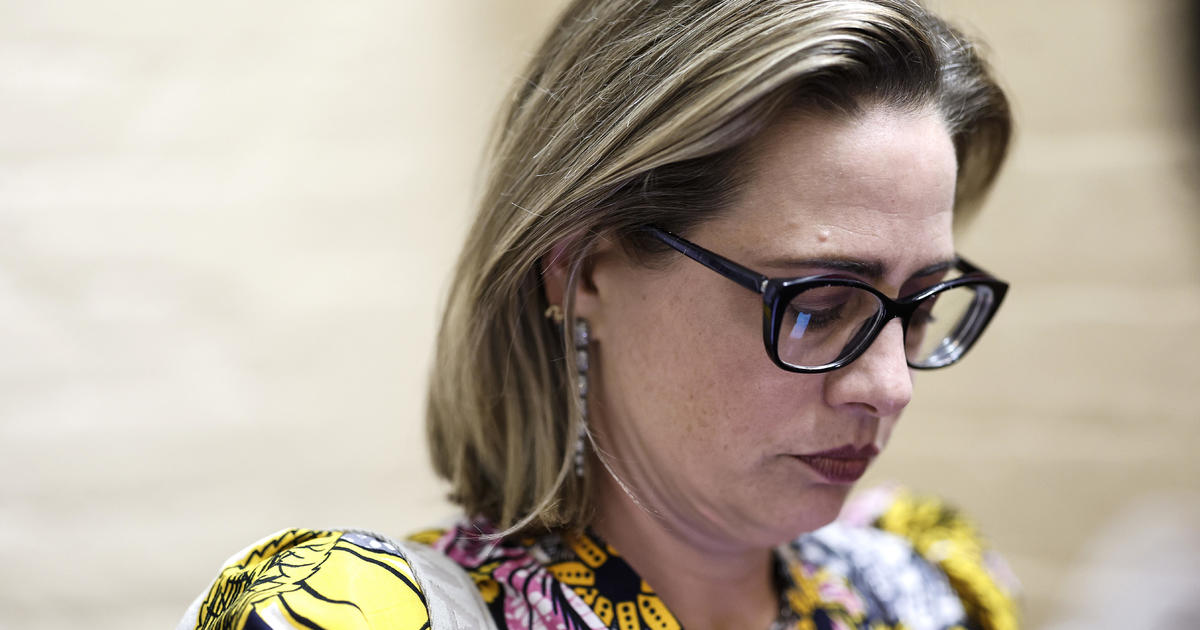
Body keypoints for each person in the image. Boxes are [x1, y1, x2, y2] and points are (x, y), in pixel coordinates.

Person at [179, 0, 1019, 628]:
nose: (891, 386)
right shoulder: (362, 615)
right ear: (583, 267)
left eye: (918, 308)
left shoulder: (920, 593)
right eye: (818, 305)